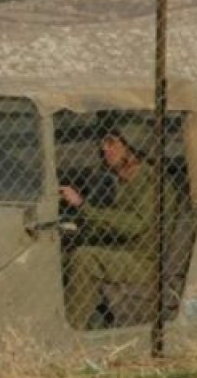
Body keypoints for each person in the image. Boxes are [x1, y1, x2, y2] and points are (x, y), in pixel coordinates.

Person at [58, 120, 178, 330]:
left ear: (131, 145)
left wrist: (82, 206)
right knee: (61, 257)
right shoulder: (116, 181)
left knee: (85, 259)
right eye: (103, 144)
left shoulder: (152, 181)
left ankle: (71, 330)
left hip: (145, 264)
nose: (105, 149)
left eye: (111, 142)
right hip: (121, 254)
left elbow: (134, 224)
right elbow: (108, 223)